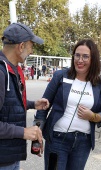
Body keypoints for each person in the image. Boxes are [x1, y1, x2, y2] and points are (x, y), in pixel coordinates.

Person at [35, 39, 101, 170]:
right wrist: (37, 135)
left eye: (85, 56)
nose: (80, 60)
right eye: (77, 55)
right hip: (57, 139)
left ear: (93, 59)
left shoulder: (100, 84)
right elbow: (43, 106)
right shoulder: (60, 76)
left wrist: (93, 116)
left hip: (83, 142)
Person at [0, 23, 50, 170]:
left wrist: (32, 104)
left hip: (10, 156)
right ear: (21, 46)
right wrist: (23, 132)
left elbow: (7, 105)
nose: (31, 51)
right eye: (31, 46)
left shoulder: (11, 68)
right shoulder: (1, 72)